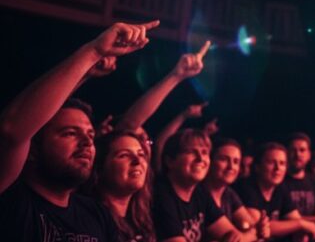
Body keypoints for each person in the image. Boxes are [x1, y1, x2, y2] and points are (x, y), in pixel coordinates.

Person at [0, 20, 159, 241]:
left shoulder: (95, 215)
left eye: (91, 135)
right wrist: (93, 52)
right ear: (33, 149)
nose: (86, 143)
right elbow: (11, 130)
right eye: (70, 133)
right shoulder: (12, 201)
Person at [153, 129, 260, 242]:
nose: (200, 158)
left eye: (204, 152)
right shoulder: (160, 195)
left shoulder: (199, 192)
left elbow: (234, 236)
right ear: (170, 161)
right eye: (191, 152)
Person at [236, 141, 315, 240]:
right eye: (271, 162)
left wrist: (301, 227)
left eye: (282, 163)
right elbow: (257, 226)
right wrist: (301, 224)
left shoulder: (280, 188)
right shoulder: (247, 187)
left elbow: (295, 219)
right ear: (257, 167)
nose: (278, 168)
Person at [89, 129, 156, 241]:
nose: (137, 161)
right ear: (100, 168)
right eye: (124, 155)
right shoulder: (91, 221)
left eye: (141, 154)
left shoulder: (140, 217)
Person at [204, 137, 269, 238]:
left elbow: (251, 226)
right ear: (210, 161)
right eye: (224, 159)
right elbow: (238, 239)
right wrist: (253, 233)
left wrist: (260, 230)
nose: (231, 167)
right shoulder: (201, 193)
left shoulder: (228, 193)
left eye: (236, 162)